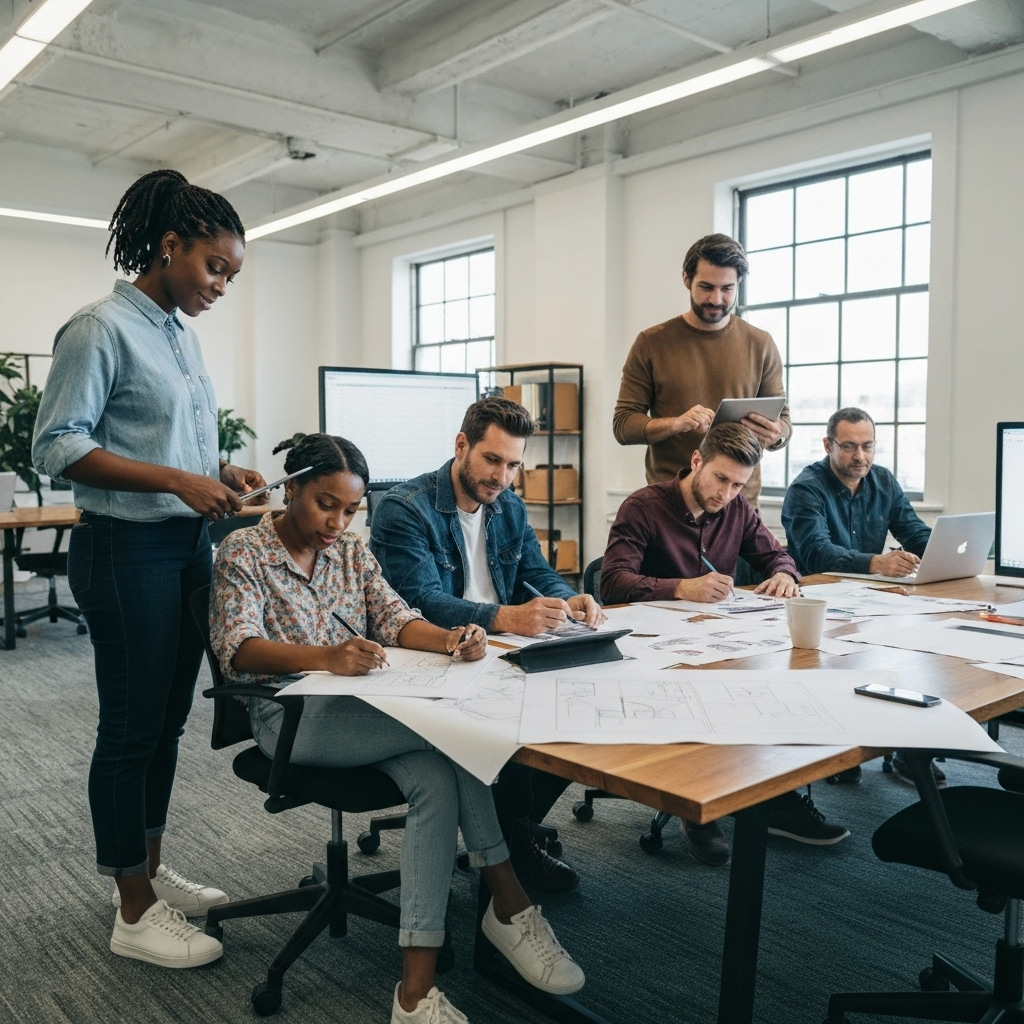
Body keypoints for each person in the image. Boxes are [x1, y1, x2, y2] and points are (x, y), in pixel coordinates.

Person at [211, 433, 584, 1024]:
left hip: (369, 711)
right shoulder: (243, 551)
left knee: (437, 778)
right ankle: (509, 900)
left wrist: (451, 640)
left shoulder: (351, 552)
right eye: (325, 504)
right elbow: (239, 647)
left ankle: (414, 994)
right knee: (453, 730)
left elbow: (395, 617)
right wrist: (327, 655)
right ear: (294, 490)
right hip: (291, 716)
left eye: (351, 510)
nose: (337, 521)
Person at [31, 170, 267, 969]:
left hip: (183, 548)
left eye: (231, 275)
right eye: (214, 267)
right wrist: (175, 480)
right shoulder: (99, 328)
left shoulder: (179, 333)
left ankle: (146, 870)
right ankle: (131, 909)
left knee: (166, 723)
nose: (221, 285)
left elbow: (172, 444)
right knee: (129, 730)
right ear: (170, 247)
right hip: (123, 548)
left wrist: (219, 471)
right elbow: (57, 445)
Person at [370, 397, 603, 894]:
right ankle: (512, 850)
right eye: (492, 460)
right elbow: (417, 601)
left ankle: (511, 835)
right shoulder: (403, 509)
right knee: (517, 719)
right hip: (440, 653)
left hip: (502, 646)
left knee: (583, 703)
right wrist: (504, 616)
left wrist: (570, 598)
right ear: (462, 445)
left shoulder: (508, 505)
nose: (502, 476)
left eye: (514, 464)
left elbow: (536, 573)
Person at [602, 423, 850, 861]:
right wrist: (681, 587)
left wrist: (783, 575)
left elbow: (777, 554)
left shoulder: (737, 509)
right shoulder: (643, 506)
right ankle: (697, 806)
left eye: (738, 484)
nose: (727, 494)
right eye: (720, 479)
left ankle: (775, 795)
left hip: (719, 640)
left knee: (784, 679)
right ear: (697, 461)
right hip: (655, 649)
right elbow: (613, 583)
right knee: (712, 693)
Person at [781, 406, 940, 788]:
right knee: (840, 671)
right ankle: (839, 748)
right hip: (819, 602)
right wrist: (877, 563)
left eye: (868, 446)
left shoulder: (882, 481)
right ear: (828, 444)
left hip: (874, 600)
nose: (860, 457)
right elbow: (816, 552)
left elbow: (914, 531)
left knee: (919, 651)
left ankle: (910, 749)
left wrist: (944, 551)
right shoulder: (807, 488)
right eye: (849, 447)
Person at [612, 233, 791, 509]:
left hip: (739, 506)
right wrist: (675, 423)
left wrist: (777, 435)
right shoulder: (651, 343)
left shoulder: (761, 343)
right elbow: (623, 425)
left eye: (727, 288)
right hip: (672, 504)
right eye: (706, 287)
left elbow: (785, 422)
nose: (716, 299)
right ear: (686, 279)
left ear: (738, 284)